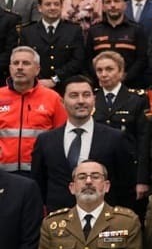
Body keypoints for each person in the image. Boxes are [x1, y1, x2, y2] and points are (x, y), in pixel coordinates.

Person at [31, 74, 136, 210]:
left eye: (86, 95)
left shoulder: (115, 138)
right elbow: (39, 184)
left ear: (94, 99)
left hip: (104, 220)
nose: (81, 101)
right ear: (62, 102)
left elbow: (125, 185)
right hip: (59, 220)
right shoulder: (46, 140)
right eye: (74, 95)